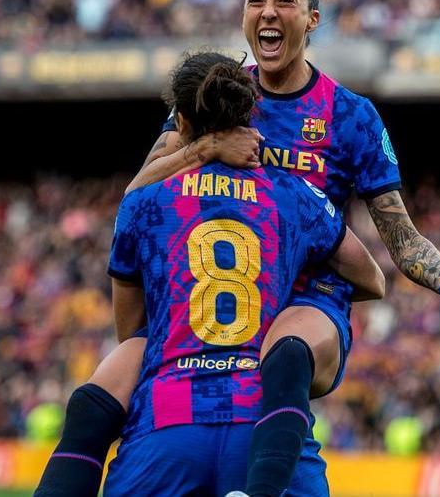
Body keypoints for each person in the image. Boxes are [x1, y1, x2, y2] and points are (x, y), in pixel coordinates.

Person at [35, 0, 440, 497]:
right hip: (212, 303)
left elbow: (399, 236)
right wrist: (208, 146)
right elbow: (141, 192)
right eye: (257, 1)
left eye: (285, 1)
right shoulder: (223, 95)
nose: (269, 12)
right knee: (108, 382)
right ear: (244, 17)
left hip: (307, 294)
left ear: (312, 19)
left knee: (286, 351)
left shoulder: (349, 115)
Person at [97, 51, 382, 495]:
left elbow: (131, 331)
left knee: (88, 413)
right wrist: (295, 284)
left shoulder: (144, 202)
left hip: (167, 423)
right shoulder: (292, 193)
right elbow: (372, 279)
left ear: (182, 123)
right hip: (262, 417)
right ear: (251, 117)